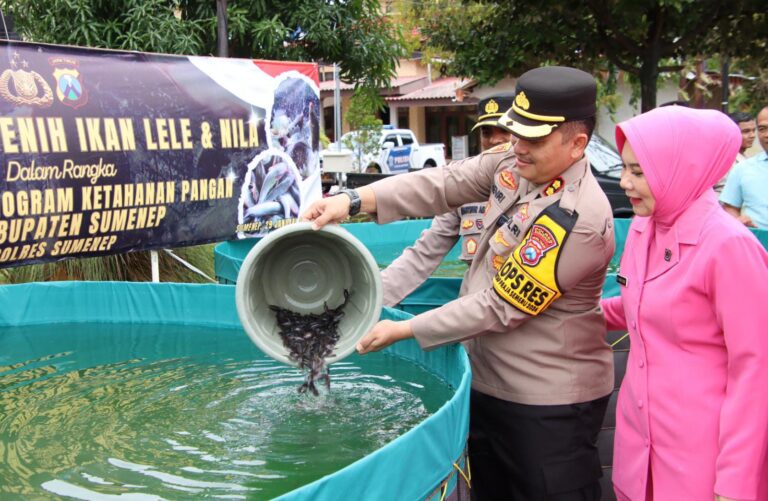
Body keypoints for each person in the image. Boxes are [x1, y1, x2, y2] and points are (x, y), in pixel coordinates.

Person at [303, 66, 615, 500]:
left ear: (577, 143)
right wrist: (353, 200)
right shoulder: (514, 164)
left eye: (535, 139)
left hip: (547, 403)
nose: (518, 148)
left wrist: (405, 329)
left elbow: (499, 304)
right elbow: (444, 183)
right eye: (516, 133)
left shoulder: (579, 218)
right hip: (486, 380)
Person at [601, 106, 768, 501]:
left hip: (703, 461)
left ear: (683, 167)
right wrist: (569, 316)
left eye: (639, 172)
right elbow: (637, 305)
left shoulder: (728, 246)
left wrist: (735, 482)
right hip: (640, 449)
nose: (625, 182)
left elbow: (756, 368)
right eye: (625, 169)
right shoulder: (645, 226)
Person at [381, 93, 514, 307]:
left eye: (505, 130)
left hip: (521, 317)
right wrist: (372, 297)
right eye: (486, 132)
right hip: (472, 314)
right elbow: (424, 253)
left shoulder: (536, 185)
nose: (495, 140)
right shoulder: (463, 189)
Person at [719, 106, 768, 228]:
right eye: (762, 129)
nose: (766, 134)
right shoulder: (743, 168)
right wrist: (740, 225)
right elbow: (730, 207)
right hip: (758, 244)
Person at [713, 111, 756, 193]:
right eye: (746, 131)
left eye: (753, 130)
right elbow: (720, 191)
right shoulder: (725, 160)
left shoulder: (745, 157)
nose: (752, 135)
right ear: (732, 132)